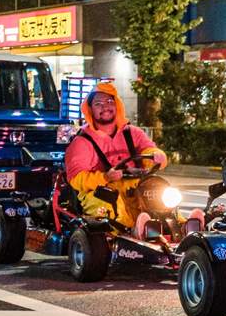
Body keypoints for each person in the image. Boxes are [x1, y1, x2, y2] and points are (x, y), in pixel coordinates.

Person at [64, 83, 169, 236]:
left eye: (109, 102)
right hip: (100, 191)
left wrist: (157, 156)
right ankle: (130, 234)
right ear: (90, 110)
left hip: (135, 187)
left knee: (163, 199)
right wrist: (105, 177)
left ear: (117, 105)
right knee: (113, 207)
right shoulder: (81, 142)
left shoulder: (133, 132)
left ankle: (182, 227)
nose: (105, 107)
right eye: (98, 104)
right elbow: (76, 179)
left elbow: (149, 149)